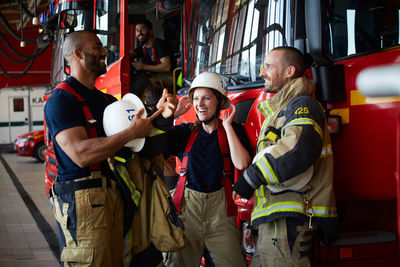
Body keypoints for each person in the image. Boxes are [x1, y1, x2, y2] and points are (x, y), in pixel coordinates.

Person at [44, 31, 162, 266]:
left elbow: (135, 142)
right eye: (97, 47)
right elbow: (80, 153)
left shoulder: (106, 101)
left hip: (113, 196)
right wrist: (130, 132)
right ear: (78, 53)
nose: (104, 52)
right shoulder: (61, 100)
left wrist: (164, 116)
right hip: (83, 200)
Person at [232, 46, 339, 266]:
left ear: (289, 72)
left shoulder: (302, 105)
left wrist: (251, 177)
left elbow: (298, 150)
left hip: (289, 221)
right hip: (273, 223)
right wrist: (256, 222)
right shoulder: (279, 111)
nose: (262, 72)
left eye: (269, 66)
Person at [164, 72, 251, 267]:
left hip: (221, 218)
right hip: (187, 215)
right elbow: (151, 145)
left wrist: (227, 127)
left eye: (206, 98)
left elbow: (242, 163)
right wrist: (172, 117)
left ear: (220, 102)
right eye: (195, 98)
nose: (199, 104)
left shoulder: (233, 131)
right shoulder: (184, 132)